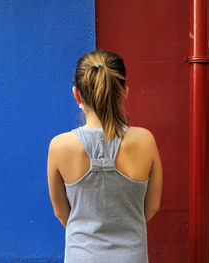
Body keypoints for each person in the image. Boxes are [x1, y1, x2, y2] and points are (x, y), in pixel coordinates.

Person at [47, 49, 163, 263]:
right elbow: (152, 207)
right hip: (131, 256)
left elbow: (62, 214)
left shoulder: (59, 146)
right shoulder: (144, 140)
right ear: (124, 92)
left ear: (77, 94)